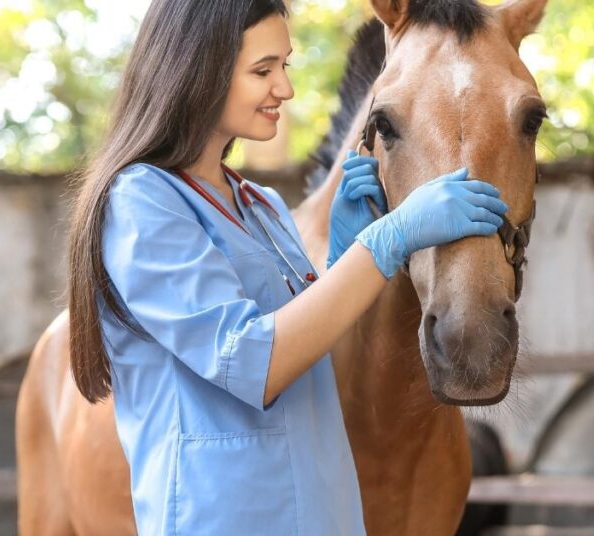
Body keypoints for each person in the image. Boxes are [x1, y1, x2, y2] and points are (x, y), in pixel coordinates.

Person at [64, 0, 509, 534]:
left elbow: (305, 347)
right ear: (198, 67)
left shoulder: (261, 205)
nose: (285, 89)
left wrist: (346, 252)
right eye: (262, 70)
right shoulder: (142, 201)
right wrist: (388, 239)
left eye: (285, 66)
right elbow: (254, 363)